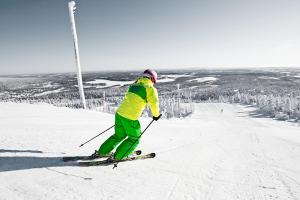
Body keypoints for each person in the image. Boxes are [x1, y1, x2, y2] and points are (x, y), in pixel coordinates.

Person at [98, 69, 161, 161]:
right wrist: (156, 115)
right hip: (130, 117)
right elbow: (154, 103)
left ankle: (102, 152)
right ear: (153, 79)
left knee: (118, 135)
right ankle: (118, 156)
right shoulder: (150, 88)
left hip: (119, 114)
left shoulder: (134, 85)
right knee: (134, 138)